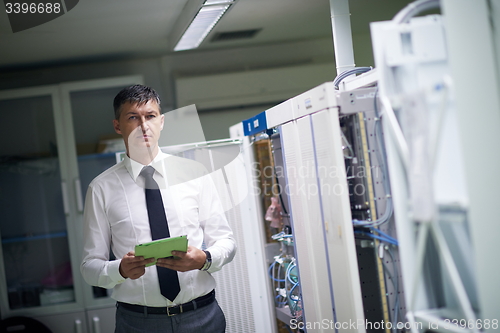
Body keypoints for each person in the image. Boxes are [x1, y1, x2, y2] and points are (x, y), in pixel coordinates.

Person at [80, 84, 236, 332]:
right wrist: (118, 269)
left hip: (203, 317)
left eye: (150, 116)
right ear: (118, 126)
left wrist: (204, 259)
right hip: (138, 323)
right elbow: (89, 268)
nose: (144, 126)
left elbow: (226, 241)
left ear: (161, 121)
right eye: (133, 117)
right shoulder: (101, 188)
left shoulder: (194, 174)